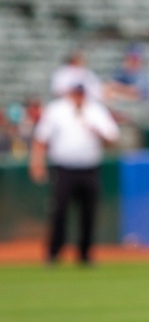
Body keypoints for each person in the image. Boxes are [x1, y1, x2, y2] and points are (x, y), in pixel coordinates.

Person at [28, 81, 120, 265]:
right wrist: (36, 164)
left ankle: (85, 254)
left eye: (81, 93)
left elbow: (113, 139)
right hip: (64, 168)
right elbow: (41, 139)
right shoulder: (57, 109)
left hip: (89, 168)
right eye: (75, 93)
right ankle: (54, 253)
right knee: (59, 211)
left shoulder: (96, 110)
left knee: (89, 212)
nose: (78, 96)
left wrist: (98, 132)